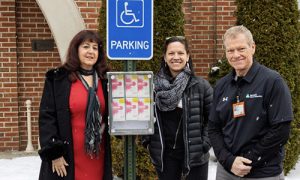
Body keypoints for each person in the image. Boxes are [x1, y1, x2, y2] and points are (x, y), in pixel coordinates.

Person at [208, 25, 293, 179]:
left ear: (252, 47)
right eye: (230, 50)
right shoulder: (222, 85)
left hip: (263, 173)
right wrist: (229, 161)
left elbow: (281, 130)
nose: (236, 55)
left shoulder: (272, 81)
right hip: (227, 172)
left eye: (241, 49)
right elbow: (214, 128)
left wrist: (249, 160)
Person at [38, 30, 112, 180]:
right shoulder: (58, 79)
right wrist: (54, 152)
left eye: (95, 48)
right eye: (86, 46)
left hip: (97, 154)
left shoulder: (106, 80)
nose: (91, 51)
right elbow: (47, 117)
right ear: (76, 49)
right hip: (67, 156)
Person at [142, 36, 213, 180]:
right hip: (165, 157)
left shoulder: (200, 86)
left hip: (195, 156)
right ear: (165, 57)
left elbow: (214, 119)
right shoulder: (153, 86)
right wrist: (148, 141)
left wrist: (204, 144)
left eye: (180, 53)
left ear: (187, 56)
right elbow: (145, 116)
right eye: (171, 53)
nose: (176, 57)